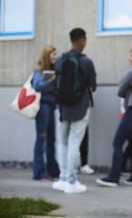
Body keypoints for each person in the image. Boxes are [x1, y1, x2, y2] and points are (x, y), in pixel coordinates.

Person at [96, 47, 132, 187]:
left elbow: (120, 90)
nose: (129, 58)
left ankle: (113, 178)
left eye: (131, 56)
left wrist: (126, 92)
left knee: (117, 142)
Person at [52, 28, 97, 194]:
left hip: (62, 107)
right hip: (81, 107)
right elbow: (93, 86)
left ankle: (62, 178)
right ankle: (71, 182)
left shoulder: (59, 60)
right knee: (74, 143)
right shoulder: (86, 62)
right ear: (83, 40)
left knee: (62, 142)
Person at [31, 45, 60, 181]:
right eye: (53, 54)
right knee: (41, 139)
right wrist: (50, 80)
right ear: (46, 55)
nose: (55, 57)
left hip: (51, 107)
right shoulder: (39, 69)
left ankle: (53, 170)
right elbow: (37, 86)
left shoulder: (54, 70)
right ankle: (39, 173)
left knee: (51, 140)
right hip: (42, 107)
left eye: (55, 54)